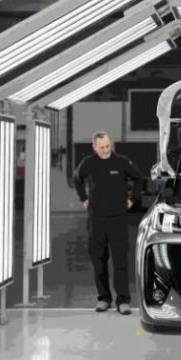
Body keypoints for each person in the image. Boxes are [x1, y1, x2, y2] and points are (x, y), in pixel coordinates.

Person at [73, 131, 144, 315]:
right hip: (96, 220)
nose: (105, 150)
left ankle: (123, 301)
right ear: (94, 147)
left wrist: (132, 199)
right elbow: (77, 179)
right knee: (99, 261)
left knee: (120, 261)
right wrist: (83, 198)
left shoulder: (121, 162)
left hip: (117, 219)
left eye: (107, 146)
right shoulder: (88, 163)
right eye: (102, 147)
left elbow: (139, 178)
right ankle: (104, 298)